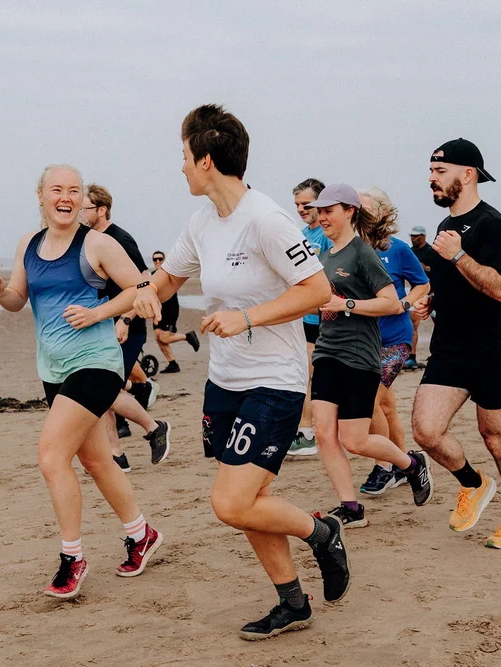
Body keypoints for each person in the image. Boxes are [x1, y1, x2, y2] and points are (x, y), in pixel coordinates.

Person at [135, 105, 350, 641]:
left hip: (273, 380)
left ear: (206, 160)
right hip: (224, 382)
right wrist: (130, 305)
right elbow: (165, 282)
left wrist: (246, 316)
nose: (180, 167)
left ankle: (322, 532)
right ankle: (292, 602)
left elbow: (317, 291)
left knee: (230, 503)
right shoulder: (202, 221)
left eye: (184, 157)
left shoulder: (267, 220)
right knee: (251, 500)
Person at [0, 164, 164, 600]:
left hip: (97, 362)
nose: (65, 197)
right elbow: (17, 299)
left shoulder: (97, 244)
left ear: (82, 199)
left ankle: (72, 557)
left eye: (74, 190)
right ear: (41, 195)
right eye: (56, 189)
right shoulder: (28, 244)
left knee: (50, 457)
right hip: (53, 369)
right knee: (97, 461)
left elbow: (142, 286)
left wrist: (98, 314)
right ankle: (142, 534)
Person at [411, 138, 501, 550]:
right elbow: (453, 282)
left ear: (468, 174)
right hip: (449, 347)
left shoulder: (492, 224)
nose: (431, 178)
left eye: (439, 171)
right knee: (426, 432)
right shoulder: (448, 226)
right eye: (431, 171)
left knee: (496, 437)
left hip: (492, 350)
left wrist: (459, 257)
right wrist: (430, 300)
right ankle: (474, 483)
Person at [306, 185, 433, 527]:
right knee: (323, 433)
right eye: (319, 211)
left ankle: (411, 464)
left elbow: (391, 302)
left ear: (348, 211)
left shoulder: (363, 253)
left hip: (360, 356)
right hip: (328, 352)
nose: (321, 217)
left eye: (327, 211)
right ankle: (351, 508)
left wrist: (346, 304)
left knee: (355, 439)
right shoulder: (325, 255)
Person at [80, 184, 170, 470]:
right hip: (102, 324)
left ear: (101, 210)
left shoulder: (119, 238)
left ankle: (154, 426)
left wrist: (126, 320)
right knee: (100, 392)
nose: (80, 213)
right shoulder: (89, 241)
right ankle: (116, 455)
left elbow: (145, 284)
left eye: (85, 208)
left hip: (128, 325)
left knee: (104, 389)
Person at [356, 189, 431, 496]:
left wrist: (405, 304)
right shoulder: (351, 249)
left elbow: (422, 283)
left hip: (395, 340)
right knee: (385, 406)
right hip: (362, 340)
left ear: (381, 213)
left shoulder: (398, 249)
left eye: (363, 206)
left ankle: (384, 466)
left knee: (370, 399)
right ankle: (404, 465)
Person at [288, 178, 332, 457]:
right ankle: (306, 430)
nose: (302, 209)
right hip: (306, 319)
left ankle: (307, 433)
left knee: (308, 374)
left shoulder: (328, 234)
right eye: (297, 205)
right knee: (304, 374)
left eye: (307, 204)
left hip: (329, 317)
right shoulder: (302, 233)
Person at [150, 250, 200, 374]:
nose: (157, 261)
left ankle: (188, 336)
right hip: (158, 310)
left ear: (164, 260)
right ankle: (172, 364)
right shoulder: (153, 275)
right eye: (155, 259)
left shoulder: (168, 273)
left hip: (169, 310)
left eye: (160, 259)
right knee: (158, 337)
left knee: (164, 337)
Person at [405, 225, 438, 369]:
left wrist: (423, 266)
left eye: (416, 236)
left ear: (423, 236)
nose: (413, 238)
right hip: (414, 293)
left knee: (440, 324)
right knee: (413, 324)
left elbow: (437, 271)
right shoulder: (409, 252)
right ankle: (411, 357)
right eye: (411, 236)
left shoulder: (431, 252)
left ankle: (438, 353)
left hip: (433, 293)